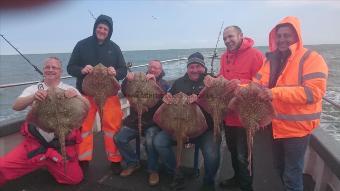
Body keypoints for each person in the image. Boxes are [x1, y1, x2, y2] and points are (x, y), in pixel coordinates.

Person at [253, 16, 328, 191]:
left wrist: (275, 92)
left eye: (287, 35)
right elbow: (256, 84)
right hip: (275, 126)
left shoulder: (311, 58)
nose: (282, 39)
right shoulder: (270, 60)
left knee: (292, 175)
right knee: (279, 167)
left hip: (297, 130)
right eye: (279, 36)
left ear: (297, 36)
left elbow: (313, 92)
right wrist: (237, 87)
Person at [0, 57, 87, 186]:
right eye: (47, 67)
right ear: (43, 70)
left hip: (59, 143)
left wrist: (77, 98)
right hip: (35, 144)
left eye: (54, 67)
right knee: (2, 167)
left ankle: (50, 162)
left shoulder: (70, 89)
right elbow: (16, 106)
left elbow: (86, 108)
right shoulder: (34, 89)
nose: (50, 69)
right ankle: (42, 160)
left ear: (60, 71)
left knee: (75, 179)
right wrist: (33, 97)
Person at [67, 14, 127, 173]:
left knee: (112, 127)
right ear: (95, 28)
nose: (102, 30)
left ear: (109, 31)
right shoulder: (82, 45)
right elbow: (70, 67)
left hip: (109, 95)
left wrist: (116, 72)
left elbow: (123, 70)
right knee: (84, 127)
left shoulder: (114, 48)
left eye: (105, 29)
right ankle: (83, 159)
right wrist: (81, 70)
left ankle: (115, 159)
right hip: (87, 94)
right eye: (99, 27)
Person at [153, 52, 220, 191]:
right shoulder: (178, 82)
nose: (195, 70)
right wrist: (166, 98)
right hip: (178, 126)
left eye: (198, 66)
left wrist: (201, 100)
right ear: (187, 68)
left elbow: (218, 104)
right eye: (191, 67)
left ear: (203, 67)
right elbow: (167, 96)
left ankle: (208, 182)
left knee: (212, 153)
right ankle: (177, 174)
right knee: (159, 141)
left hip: (204, 129)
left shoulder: (211, 81)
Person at [213, 25, 264, 191]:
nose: (228, 40)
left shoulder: (255, 55)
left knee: (244, 156)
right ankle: (236, 178)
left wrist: (240, 85)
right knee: (233, 152)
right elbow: (222, 77)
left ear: (241, 35)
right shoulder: (223, 57)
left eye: (231, 36)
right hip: (228, 115)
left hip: (245, 115)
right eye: (225, 38)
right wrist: (215, 82)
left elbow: (263, 84)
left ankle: (247, 187)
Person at [114, 60, 169, 186]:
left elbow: (166, 99)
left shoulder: (164, 83)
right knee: (119, 138)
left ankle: (153, 170)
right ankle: (133, 162)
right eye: (151, 67)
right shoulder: (139, 79)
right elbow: (125, 90)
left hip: (153, 123)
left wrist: (155, 84)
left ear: (161, 70)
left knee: (150, 141)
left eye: (156, 68)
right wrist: (127, 80)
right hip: (135, 120)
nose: (153, 70)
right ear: (147, 68)